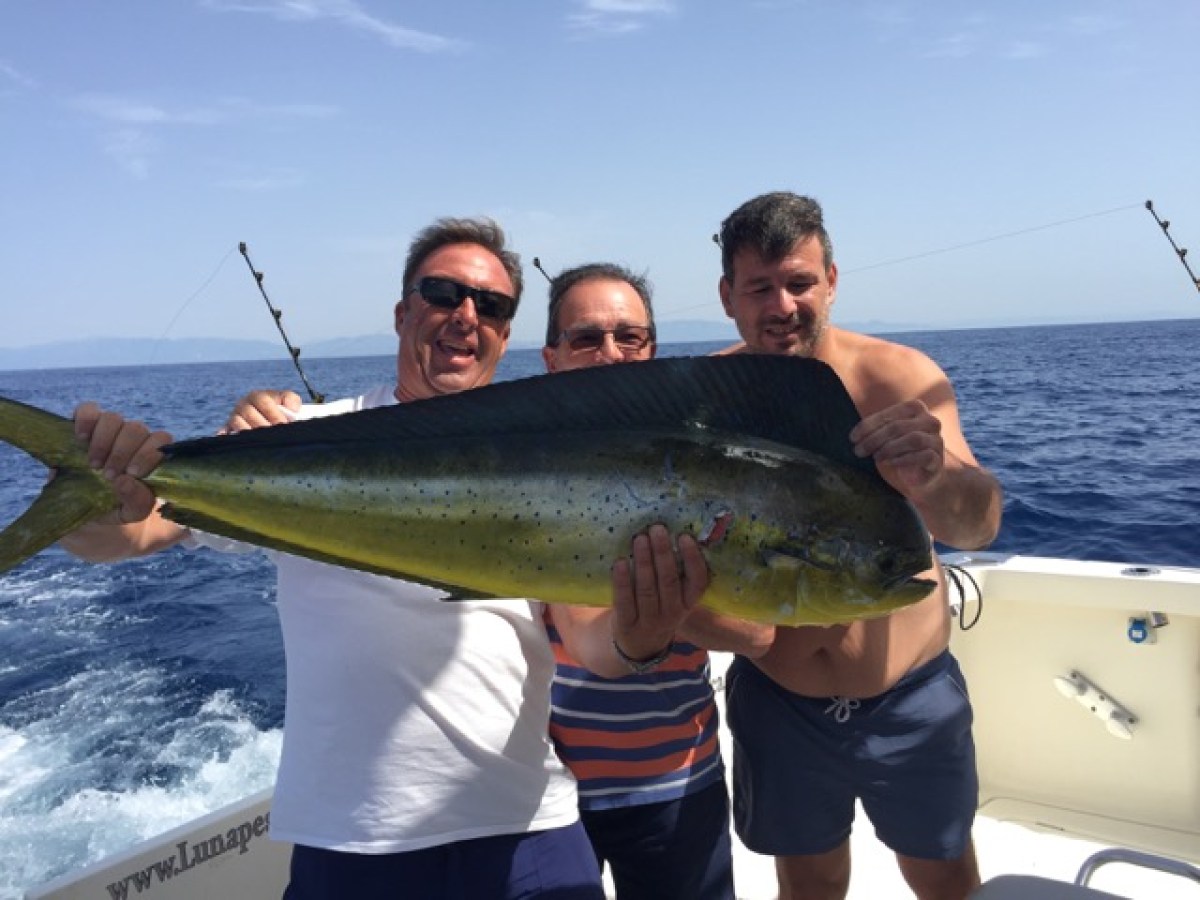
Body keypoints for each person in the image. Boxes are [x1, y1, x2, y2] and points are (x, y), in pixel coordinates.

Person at [59, 218, 710, 900]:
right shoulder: (301, 440)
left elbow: (592, 640)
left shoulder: (553, 462)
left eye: (490, 305)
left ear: (506, 334)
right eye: (443, 293)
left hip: (527, 828)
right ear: (402, 314)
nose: (466, 316)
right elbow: (125, 537)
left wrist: (643, 635)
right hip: (353, 842)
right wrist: (104, 496)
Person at [715, 192, 1004, 900]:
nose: (783, 305)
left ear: (833, 282)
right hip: (781, 702)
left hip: (909, 700)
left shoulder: (898, 378)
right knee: (808, 884)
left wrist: (933, 477)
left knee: (946, 878)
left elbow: (978, 525)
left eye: (800, 282)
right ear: (728, 297)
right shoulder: (711, 399)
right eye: (760, 287)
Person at [539, 262, 774, 900]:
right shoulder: (521, 456)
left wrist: (667, 598)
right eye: (586, 338)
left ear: (653, 352)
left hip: (677, 782)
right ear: (552, 358)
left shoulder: (708, 461)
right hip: (546, 799)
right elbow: (583, 629)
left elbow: (758, 632)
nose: (610, 353)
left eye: (629, 338)